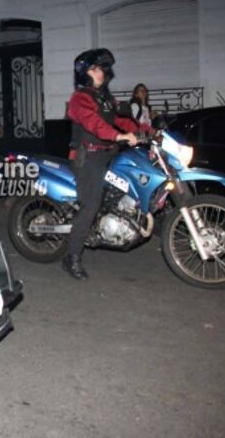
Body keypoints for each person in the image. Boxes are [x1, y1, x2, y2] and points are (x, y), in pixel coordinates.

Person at [63, 48, 151, 280]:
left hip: (108, 154)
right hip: (88, 158)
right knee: (90, 205)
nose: (100, 72)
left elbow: (123, 120)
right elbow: (93, 123)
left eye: (102, 68)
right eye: (94, 69)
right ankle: (71, 257)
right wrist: (118, 136)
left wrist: (149, 132)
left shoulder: (105, 99)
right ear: (85, 73)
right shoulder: (79, 99)